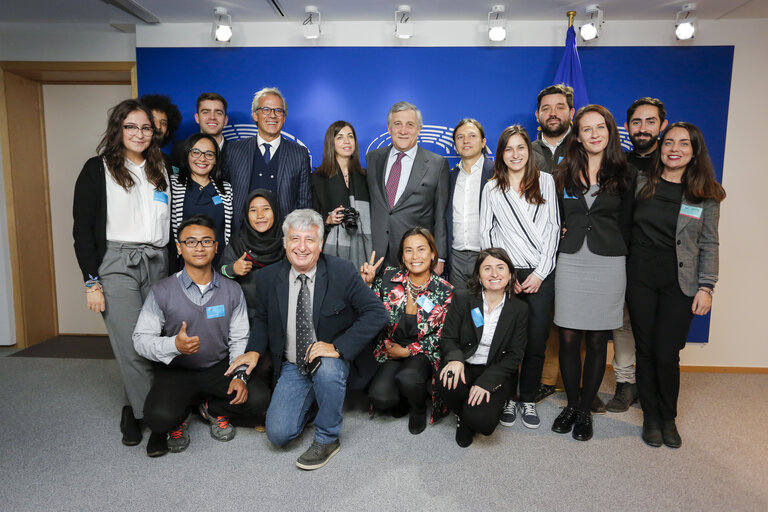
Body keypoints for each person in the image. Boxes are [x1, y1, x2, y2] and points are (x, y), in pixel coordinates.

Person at [226, 209, 387, 470]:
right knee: (278, 435)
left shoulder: (342, 272)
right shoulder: (268, 278)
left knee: (327, 369)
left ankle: (327, 438)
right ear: (285, 243)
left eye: (310, 240)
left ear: (320, 243)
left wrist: (338, 347)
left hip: (330, 360)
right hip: (293, 364)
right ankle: (316, 402)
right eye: (295, 239)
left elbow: (377, 313)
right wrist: (254, 350)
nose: (302, 247)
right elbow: (264, 320)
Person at [72, 98, 170, 448]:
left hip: (158, 261)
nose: (139, 133)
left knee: (156, 341)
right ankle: (155, 421)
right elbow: (82, 230)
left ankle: (133, 407)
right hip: (116, 263)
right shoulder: (96, 169)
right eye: (131, 126)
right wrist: (91, 283)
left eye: (145, 127)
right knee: (132, 344)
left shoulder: (162, 168)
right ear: (118, 129)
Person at [133, 215, 271, 457]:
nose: (199, 247)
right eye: (191, 242)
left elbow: (238, 338)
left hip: (219, 368)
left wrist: (240, 376)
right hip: (177, 369)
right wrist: (173, 344)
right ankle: (183, 413)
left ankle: (211, 408)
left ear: (216, 247)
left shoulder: (232, 290)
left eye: (206, 241)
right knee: (157, 420)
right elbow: (140, 340)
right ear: (179, 247)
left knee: (259, 400)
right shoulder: (162, 291)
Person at [627, 122, 724, 449]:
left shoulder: (706, 193)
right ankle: (651, 418)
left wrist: (706, 287)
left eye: (684, 144)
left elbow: (710, 243)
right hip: (639, 277)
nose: (674, 149)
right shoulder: (642, 183)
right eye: (669, 142)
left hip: (680, 282)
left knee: (667, 353)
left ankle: (668, 417)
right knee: (645, 350)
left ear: (695, 151)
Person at [552, 104, 636, 441]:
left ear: (610, 130)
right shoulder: (563, 172)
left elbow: (628, 224)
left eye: (600, 127)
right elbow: (554, 217)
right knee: (569, 338)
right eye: (587, 129)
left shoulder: (626, 173)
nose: (594, 134)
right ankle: (571, 404)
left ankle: (586, 410)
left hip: (609, 262)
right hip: (571, 261)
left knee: (599, 339)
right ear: (578, 135)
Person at [479, 125, 560, 429]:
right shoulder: (492, 188)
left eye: (520, 147)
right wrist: (503, 273)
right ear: (500, 153)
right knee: (507, 340)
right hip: (507, 273)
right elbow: (486, 234)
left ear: (530, 150)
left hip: (541, 272)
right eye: (508, 149)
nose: (515, 154)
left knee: (537, 338)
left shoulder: (547, 182)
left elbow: (553, 228)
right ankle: (509, 397)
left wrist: (540, 273)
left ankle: (528, 397)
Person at [604, 97, 670, 413]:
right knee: (624, 324)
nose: (642, 129)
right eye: (636, 122)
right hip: (621, 257)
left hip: (660, 262)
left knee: (659, 326)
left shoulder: (674, 165)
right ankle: (626, 384)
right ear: (627, 127)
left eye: (650, 121)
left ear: (663, 126)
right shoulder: (619, 166)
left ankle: (652, 385)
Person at [361, 228, 454, 435]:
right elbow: (369, 312)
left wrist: (408, 351)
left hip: (423, 351)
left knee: (409, 377)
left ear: (432, 254)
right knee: (381, 397)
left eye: (421, 249)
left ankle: (417, 409)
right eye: (408, 250)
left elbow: (443, 334)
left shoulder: (445, 290)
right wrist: (367, 284)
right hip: (390, 348)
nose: (415, 256)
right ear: (402, 256)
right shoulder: (387, 277)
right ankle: (402, 397)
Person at [437, 248, 528, 447]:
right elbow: (448, 337)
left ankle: (469, 417)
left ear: (511, 274)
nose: (494, 274)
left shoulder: (519, 309)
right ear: (479, 275)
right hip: (466, 364)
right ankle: (464, 416)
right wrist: (455, 359)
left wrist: (486, 382)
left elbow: (515, 355)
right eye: (487, 268)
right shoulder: (463, 298)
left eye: (500, 268)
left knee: (483, 423)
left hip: (494, 370)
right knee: (446, 380)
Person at [530, 84, 576, 405]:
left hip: (576, 247)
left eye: (559, 107)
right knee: (540, 315)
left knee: (574, 316)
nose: (553, 113)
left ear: (571, 112)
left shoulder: (585, 147)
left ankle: (572, 382)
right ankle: (543, 379)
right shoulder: (525, 150)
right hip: (534, 247)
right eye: (546, 108)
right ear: (538, 115)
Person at [366, 101, 449, 274]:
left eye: (410, 125)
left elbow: (440, 216)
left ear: (419, 129)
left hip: (415, 258)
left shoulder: (437, 164)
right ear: (389, 128)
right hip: (375, 256)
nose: (403, 131)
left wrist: (439, 257)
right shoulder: (373, 159)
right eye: (397, 124)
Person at [225, 87, 311, 234]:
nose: (272, 115)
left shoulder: (299, 154)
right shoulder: (234, 150)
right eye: (266, 109)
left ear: (284, 117)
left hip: (282, 239)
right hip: (242, 238)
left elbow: (304, 205)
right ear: (255, 115)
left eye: (278, 111)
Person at [311, 121, 372, 268]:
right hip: (331, 248)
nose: (346, 141)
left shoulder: (366, 177)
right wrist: (328, 219)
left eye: (350, 136)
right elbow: (311, 215)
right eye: (340, 137)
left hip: (364, 246)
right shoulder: (318, 178)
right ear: (331, 143)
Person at [219, 188, 284, 324]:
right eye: (253, 210)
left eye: (266, 209)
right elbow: (218, 276)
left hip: (281, 315)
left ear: (275, 211)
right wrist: (233, 269)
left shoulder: (287, 243)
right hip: (245, 317)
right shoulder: (237, 243)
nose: (260, 215)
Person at [170, 133, 232, 267]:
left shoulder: (226, 189)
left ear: (216, 159)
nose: (202, 159)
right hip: (185, 264)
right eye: (196, 152)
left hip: (220, 263)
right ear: (187, 155)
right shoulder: (173, 185)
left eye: (209, 154)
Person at [447, 118, 494, 288]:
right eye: (460, 137)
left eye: (472, 136)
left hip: (487, 256)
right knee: (459, 309)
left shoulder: (497, 174)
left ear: (483, 142)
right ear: (455, 145)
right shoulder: (449, 177)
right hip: (456, 258)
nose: (466, 141)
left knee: (487, 309)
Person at [171, 92, 229, 171]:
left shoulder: (236, 153)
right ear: (197, 118)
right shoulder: (180, 149)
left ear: (225, 120)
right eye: (206, 112)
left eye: (218, 113)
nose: (212, 117)